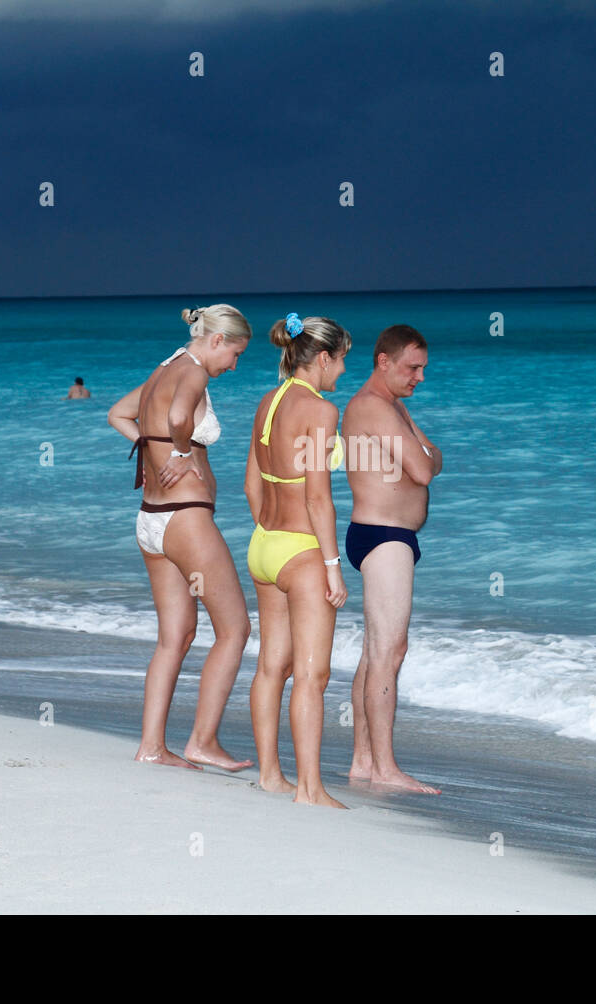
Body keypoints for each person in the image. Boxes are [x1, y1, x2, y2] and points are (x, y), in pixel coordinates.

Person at [108, 304, 254, 771]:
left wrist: (157, 453)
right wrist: (182, 451)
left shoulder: (162, 368)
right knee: (234, 629)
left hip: (151, 519)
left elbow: (117, 414)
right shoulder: (191, 371)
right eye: (234, 354)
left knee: (176, 636)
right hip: (185, 520)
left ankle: (152, 746)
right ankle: (202, 742)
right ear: (216, 341)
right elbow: (177, 415)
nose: (234, 365)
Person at [245, 312, 351, 807]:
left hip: (264, 545)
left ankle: (270, 774)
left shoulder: (269, 401)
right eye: (343, 360)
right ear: (324, 358)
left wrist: (270, 533)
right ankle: (309, 789)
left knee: (271, 668)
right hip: (302, 551)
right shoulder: (320, 410)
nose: (344, 372)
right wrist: (331, 565)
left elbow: (251, 483)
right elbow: (318, 500)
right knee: (313, 674)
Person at [344, 325, 442, 794]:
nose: (419, 377)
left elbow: (433, 458)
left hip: (387, 535)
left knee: (374, 653)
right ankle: (384, 767)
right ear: (383, 361)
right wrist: (421, 452)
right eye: (412, 367)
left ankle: (364, 761)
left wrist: (422, 452)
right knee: (390, 651)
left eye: (422, 368)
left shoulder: (393, 406)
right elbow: (425, 466)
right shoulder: (371, 406)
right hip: (383, 536)